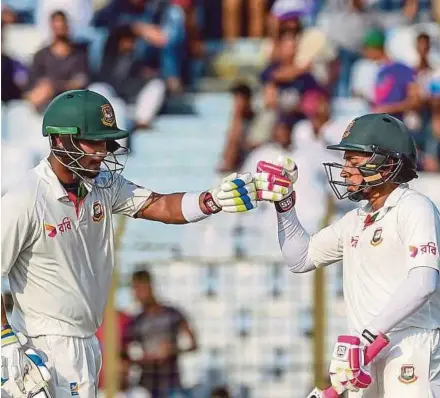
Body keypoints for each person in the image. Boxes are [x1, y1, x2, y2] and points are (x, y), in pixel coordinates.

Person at [1, 89, 257, 398]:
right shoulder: (25, 199)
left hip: (85, 342)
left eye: (105, 143)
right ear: (59, 140)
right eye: (93, 142)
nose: (102, 152)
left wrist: (211, 200)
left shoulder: (103, 185)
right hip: (41, 347)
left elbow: (160, 206)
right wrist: (6, 341)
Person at [255, 113, 440, 397]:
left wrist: (366, 337)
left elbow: (424, 281)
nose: (343, 171)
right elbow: (300, 258)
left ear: (387, 163)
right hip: (364, 354)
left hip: (413, 344)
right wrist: (284, 205)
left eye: (354, 162)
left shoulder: (415, 207)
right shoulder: (356, 220)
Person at [123, 269, 198, 398]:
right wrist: (146, 358)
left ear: (149, 287)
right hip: (146, 386)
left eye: (139, 289)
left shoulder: (173, 314)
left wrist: (173, 350)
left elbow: (194, 344)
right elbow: (125, 355)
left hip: (172, 384)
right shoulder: (136, 321)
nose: (136, 294)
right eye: (134, 290)